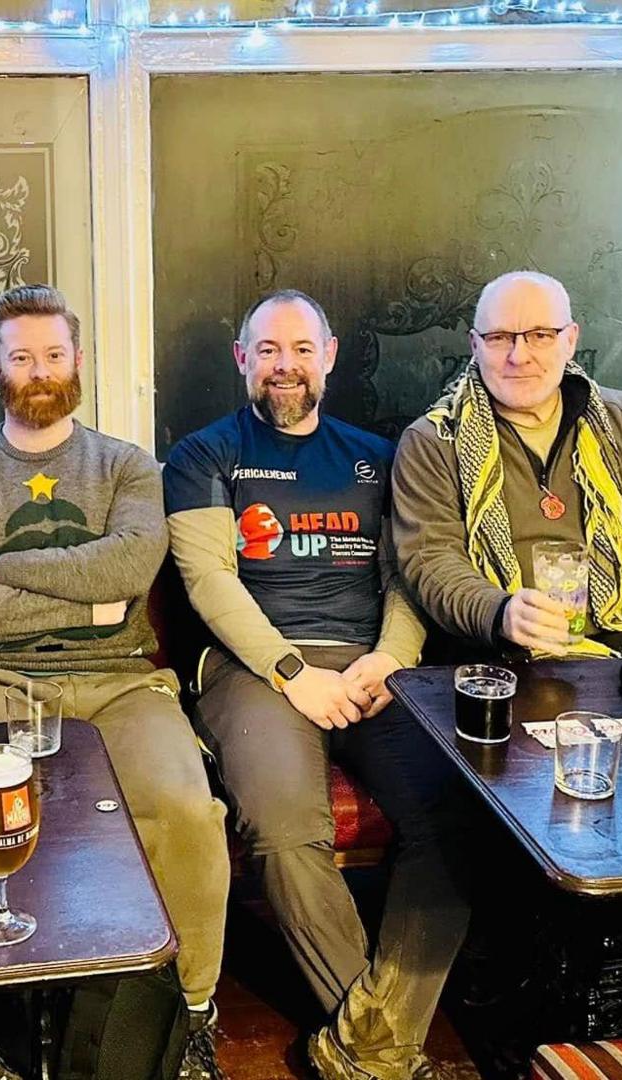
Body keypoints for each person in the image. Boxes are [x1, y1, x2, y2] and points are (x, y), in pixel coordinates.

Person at [0, 285, 232, 1080]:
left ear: (78, 362)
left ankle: (193, 1012)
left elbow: (131, 570)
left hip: (123, 679)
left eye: (53, 355)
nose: (38, 371)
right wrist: (88, 599)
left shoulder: (128, 467)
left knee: (189, 812)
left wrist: (10, 571)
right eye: (21, 357)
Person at [164, 289, 464, 1080]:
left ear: (329, 356)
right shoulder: (204, 455)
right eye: (267, 350)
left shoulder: (377, 456)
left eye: (301, 349)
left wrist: (390, 657)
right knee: (288, 832)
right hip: (253, 669)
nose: (285, 366)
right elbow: (208, 583)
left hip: (368, 666)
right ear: (242, 360)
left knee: (460, 815)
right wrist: (293, 674)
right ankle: (389, 1057)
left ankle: (367, 1045)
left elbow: (407, 579)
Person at [394, 270, 622, 660]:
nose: (518, 356)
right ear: (474, 345)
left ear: (570, 340)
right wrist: (501, 613)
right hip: (491, 662)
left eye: (541, 335)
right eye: (499, 337)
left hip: (615, 657)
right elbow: (432, 561)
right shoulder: (432, 440)